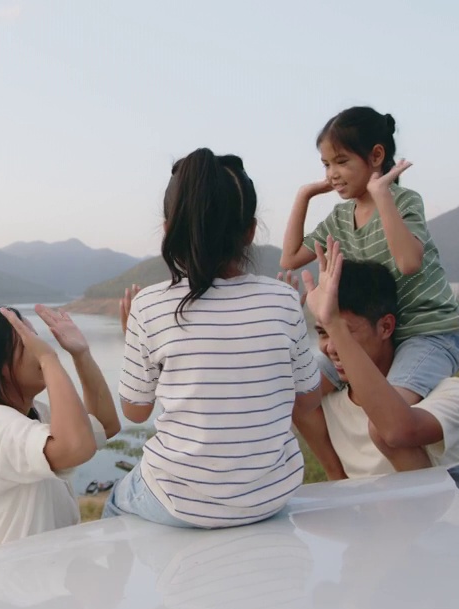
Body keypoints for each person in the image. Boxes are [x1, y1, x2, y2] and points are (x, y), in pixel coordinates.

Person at [107, 148, 322, 528]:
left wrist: (136, 342)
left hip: (178, 502)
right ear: (251, 231)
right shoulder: (284, 300)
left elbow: (135, 411)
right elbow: (308, 401)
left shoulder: (150, 306)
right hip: (271, 496)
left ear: (168, 228)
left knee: (115, 505)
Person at [279, 106, 459, 476]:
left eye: (341, 161)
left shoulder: (403, 201)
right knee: (296, 396)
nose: (332, 174)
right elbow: (289, 258)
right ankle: (339, 477)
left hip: (425, 333)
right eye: (325, 165)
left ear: (376, 156)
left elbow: (409, 261)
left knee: (388, 425)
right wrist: (304, 195)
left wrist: (382, 194)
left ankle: (422, 502)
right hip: (377, 334)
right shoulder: (339, 218)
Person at [0, 304, 120, 556]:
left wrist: (81, 354)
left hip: (41, 577)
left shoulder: (36, 413)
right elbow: (73, 448)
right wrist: (49, 359)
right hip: (11, 583)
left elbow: (105, 426)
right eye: (27, 343)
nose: (40, 347)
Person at [302, 243, 459, 477]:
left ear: (385, 327)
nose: (331, 347)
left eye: (344, 331)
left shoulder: (450, 394)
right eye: (323, 332)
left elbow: (393, 431)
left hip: (432, 513)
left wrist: (332, 322)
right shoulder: (325, 402)